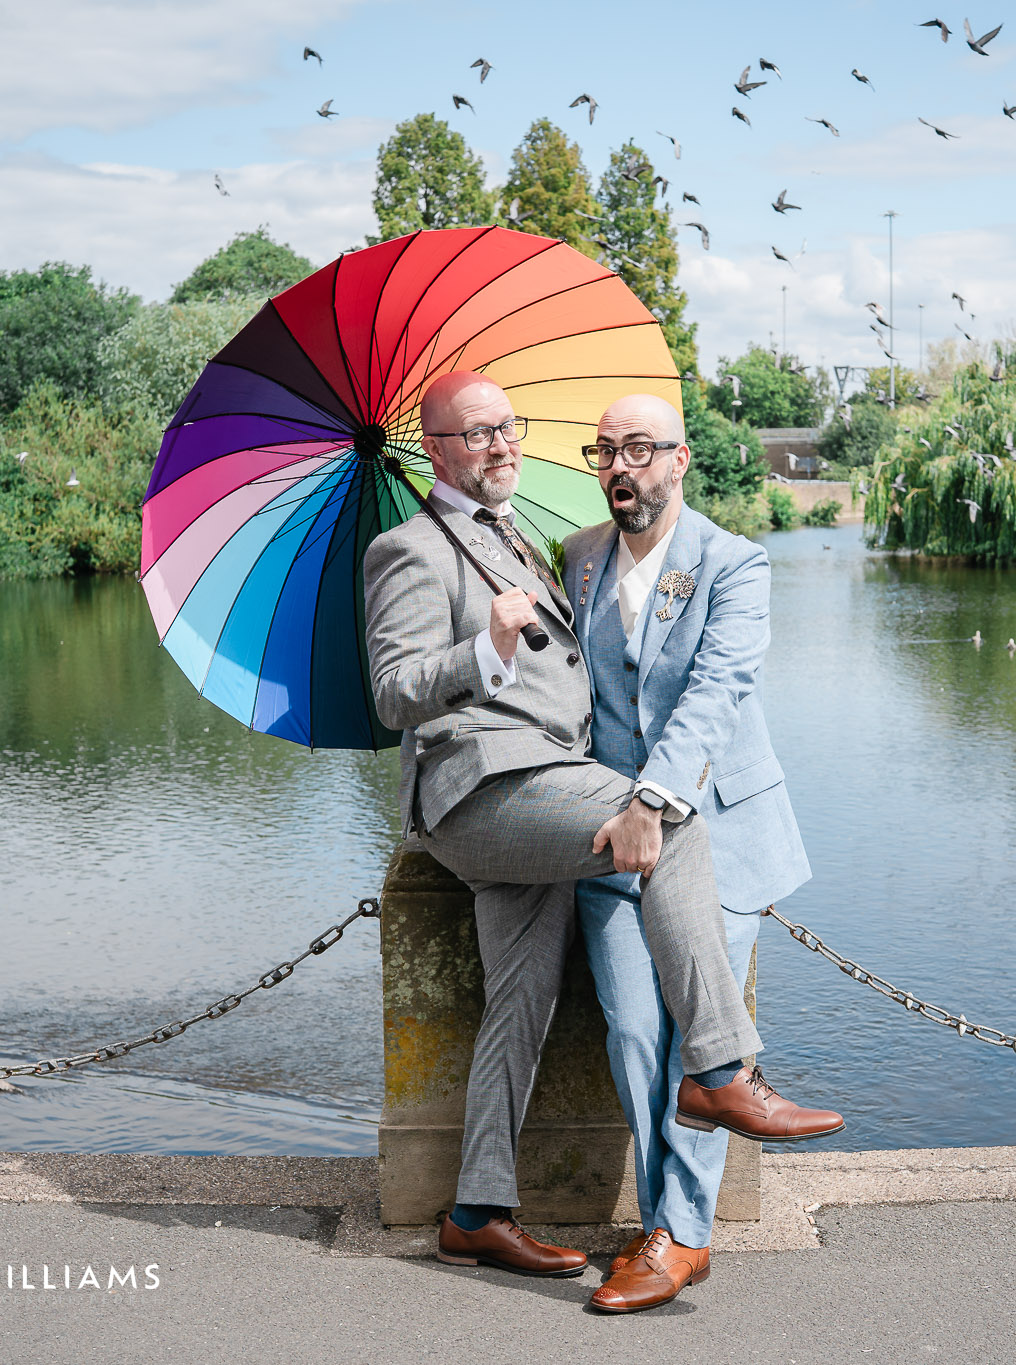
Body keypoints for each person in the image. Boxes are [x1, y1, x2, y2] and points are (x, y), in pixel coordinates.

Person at [362, 371, 841, 1285]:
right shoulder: (413, 548)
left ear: (679, 460)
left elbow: (706, 695)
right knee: (664, 827)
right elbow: (394, 691)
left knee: (522, 995)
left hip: (560, 797)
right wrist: (482, 651)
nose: (502, 445)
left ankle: (476, 1209)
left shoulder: (554, 546)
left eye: (510, 427)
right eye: (478, 433)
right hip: (496, 794)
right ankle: (720, 1074)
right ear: (436, 450)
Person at [561, 392, 822, 1313]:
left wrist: (653, 799)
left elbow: (716, 692)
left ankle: (679, 1233)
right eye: (606, 452)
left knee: (693, 1045)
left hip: (716, 832)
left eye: (640, 449)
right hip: (612, 847)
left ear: (680, 460)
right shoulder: (580, 558)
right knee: (635, 1029)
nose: (621, 467)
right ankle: (669, 1221)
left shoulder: (735, 563)